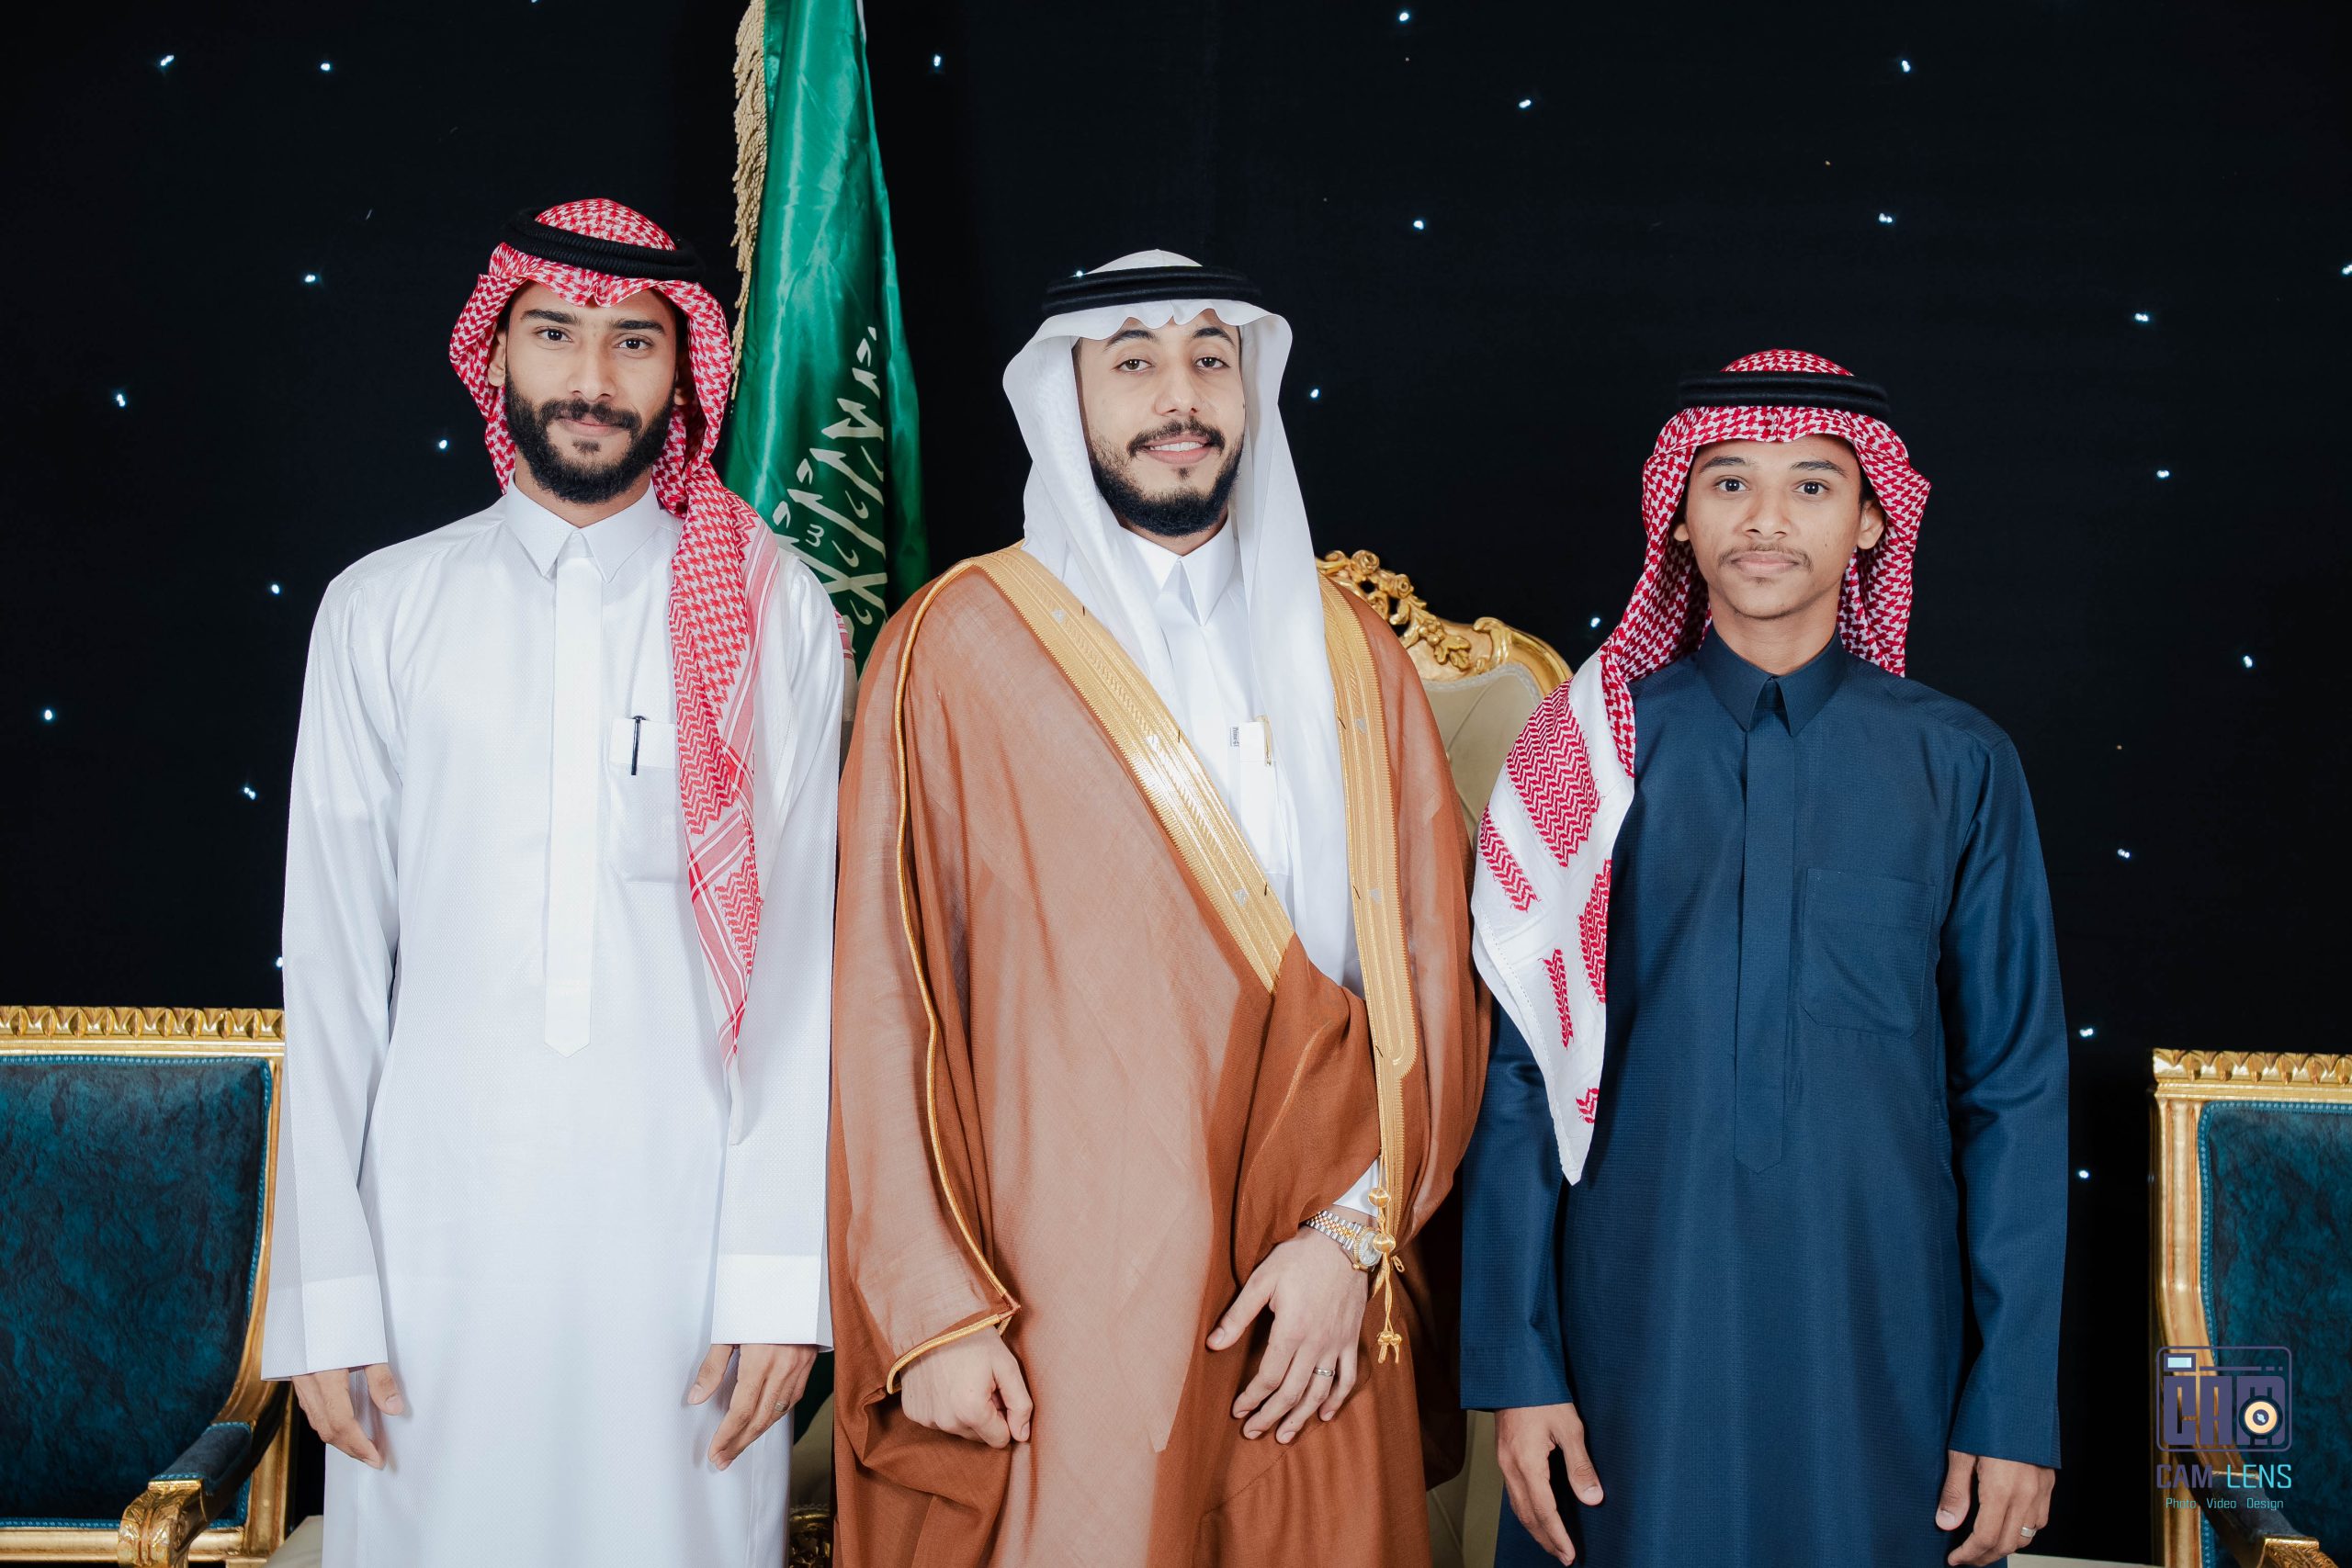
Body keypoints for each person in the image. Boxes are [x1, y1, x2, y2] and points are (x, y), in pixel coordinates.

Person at [827, 252, 1486, 1566]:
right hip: (1055, 1286)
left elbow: (1433, 981)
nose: (1177, 395)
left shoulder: (1355, 656)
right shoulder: (955, 647)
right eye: (1132, 360)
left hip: (1309, 1286)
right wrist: (934, 1311)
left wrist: (1351, 1240)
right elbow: (882, 997)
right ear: (1065, 397)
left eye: (1209, 359)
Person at [260, 199, 842, 1566]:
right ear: (497, 352)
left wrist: (776, 1281)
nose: (592, 377)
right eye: (556, 333)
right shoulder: (381, 609)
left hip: (687, 1247)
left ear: (683, 371)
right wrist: (327, 1291)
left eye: (635, 340)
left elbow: (804, 969)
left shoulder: (774, 612)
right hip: (431, 1248)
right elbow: (331, 970)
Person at [1462, 352, 2067, 1568]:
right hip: (1633, 1330)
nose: (1766, 520)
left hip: (1885, 1341)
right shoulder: (1586, 754)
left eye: (1811, 486)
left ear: (1872, 522)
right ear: (1679, 520)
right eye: (1730, 483)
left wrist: (2011, 1400)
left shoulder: (1959, 763)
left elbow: (2014, 1091)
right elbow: (1522, 1072)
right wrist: (1517, 1365)